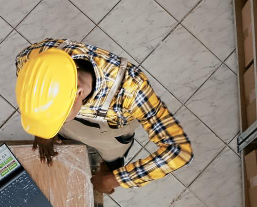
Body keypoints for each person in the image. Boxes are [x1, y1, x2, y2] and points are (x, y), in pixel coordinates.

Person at [15, 38, 193, 195]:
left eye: (59, 116)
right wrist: (45, 130)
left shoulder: (131, 90)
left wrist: (112, 179)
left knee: (113, 158)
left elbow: (179, 151)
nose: (58, 121)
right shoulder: (32, 58)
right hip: (78, 122)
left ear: (78, 92)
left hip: (111, 132)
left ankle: (110, 164)